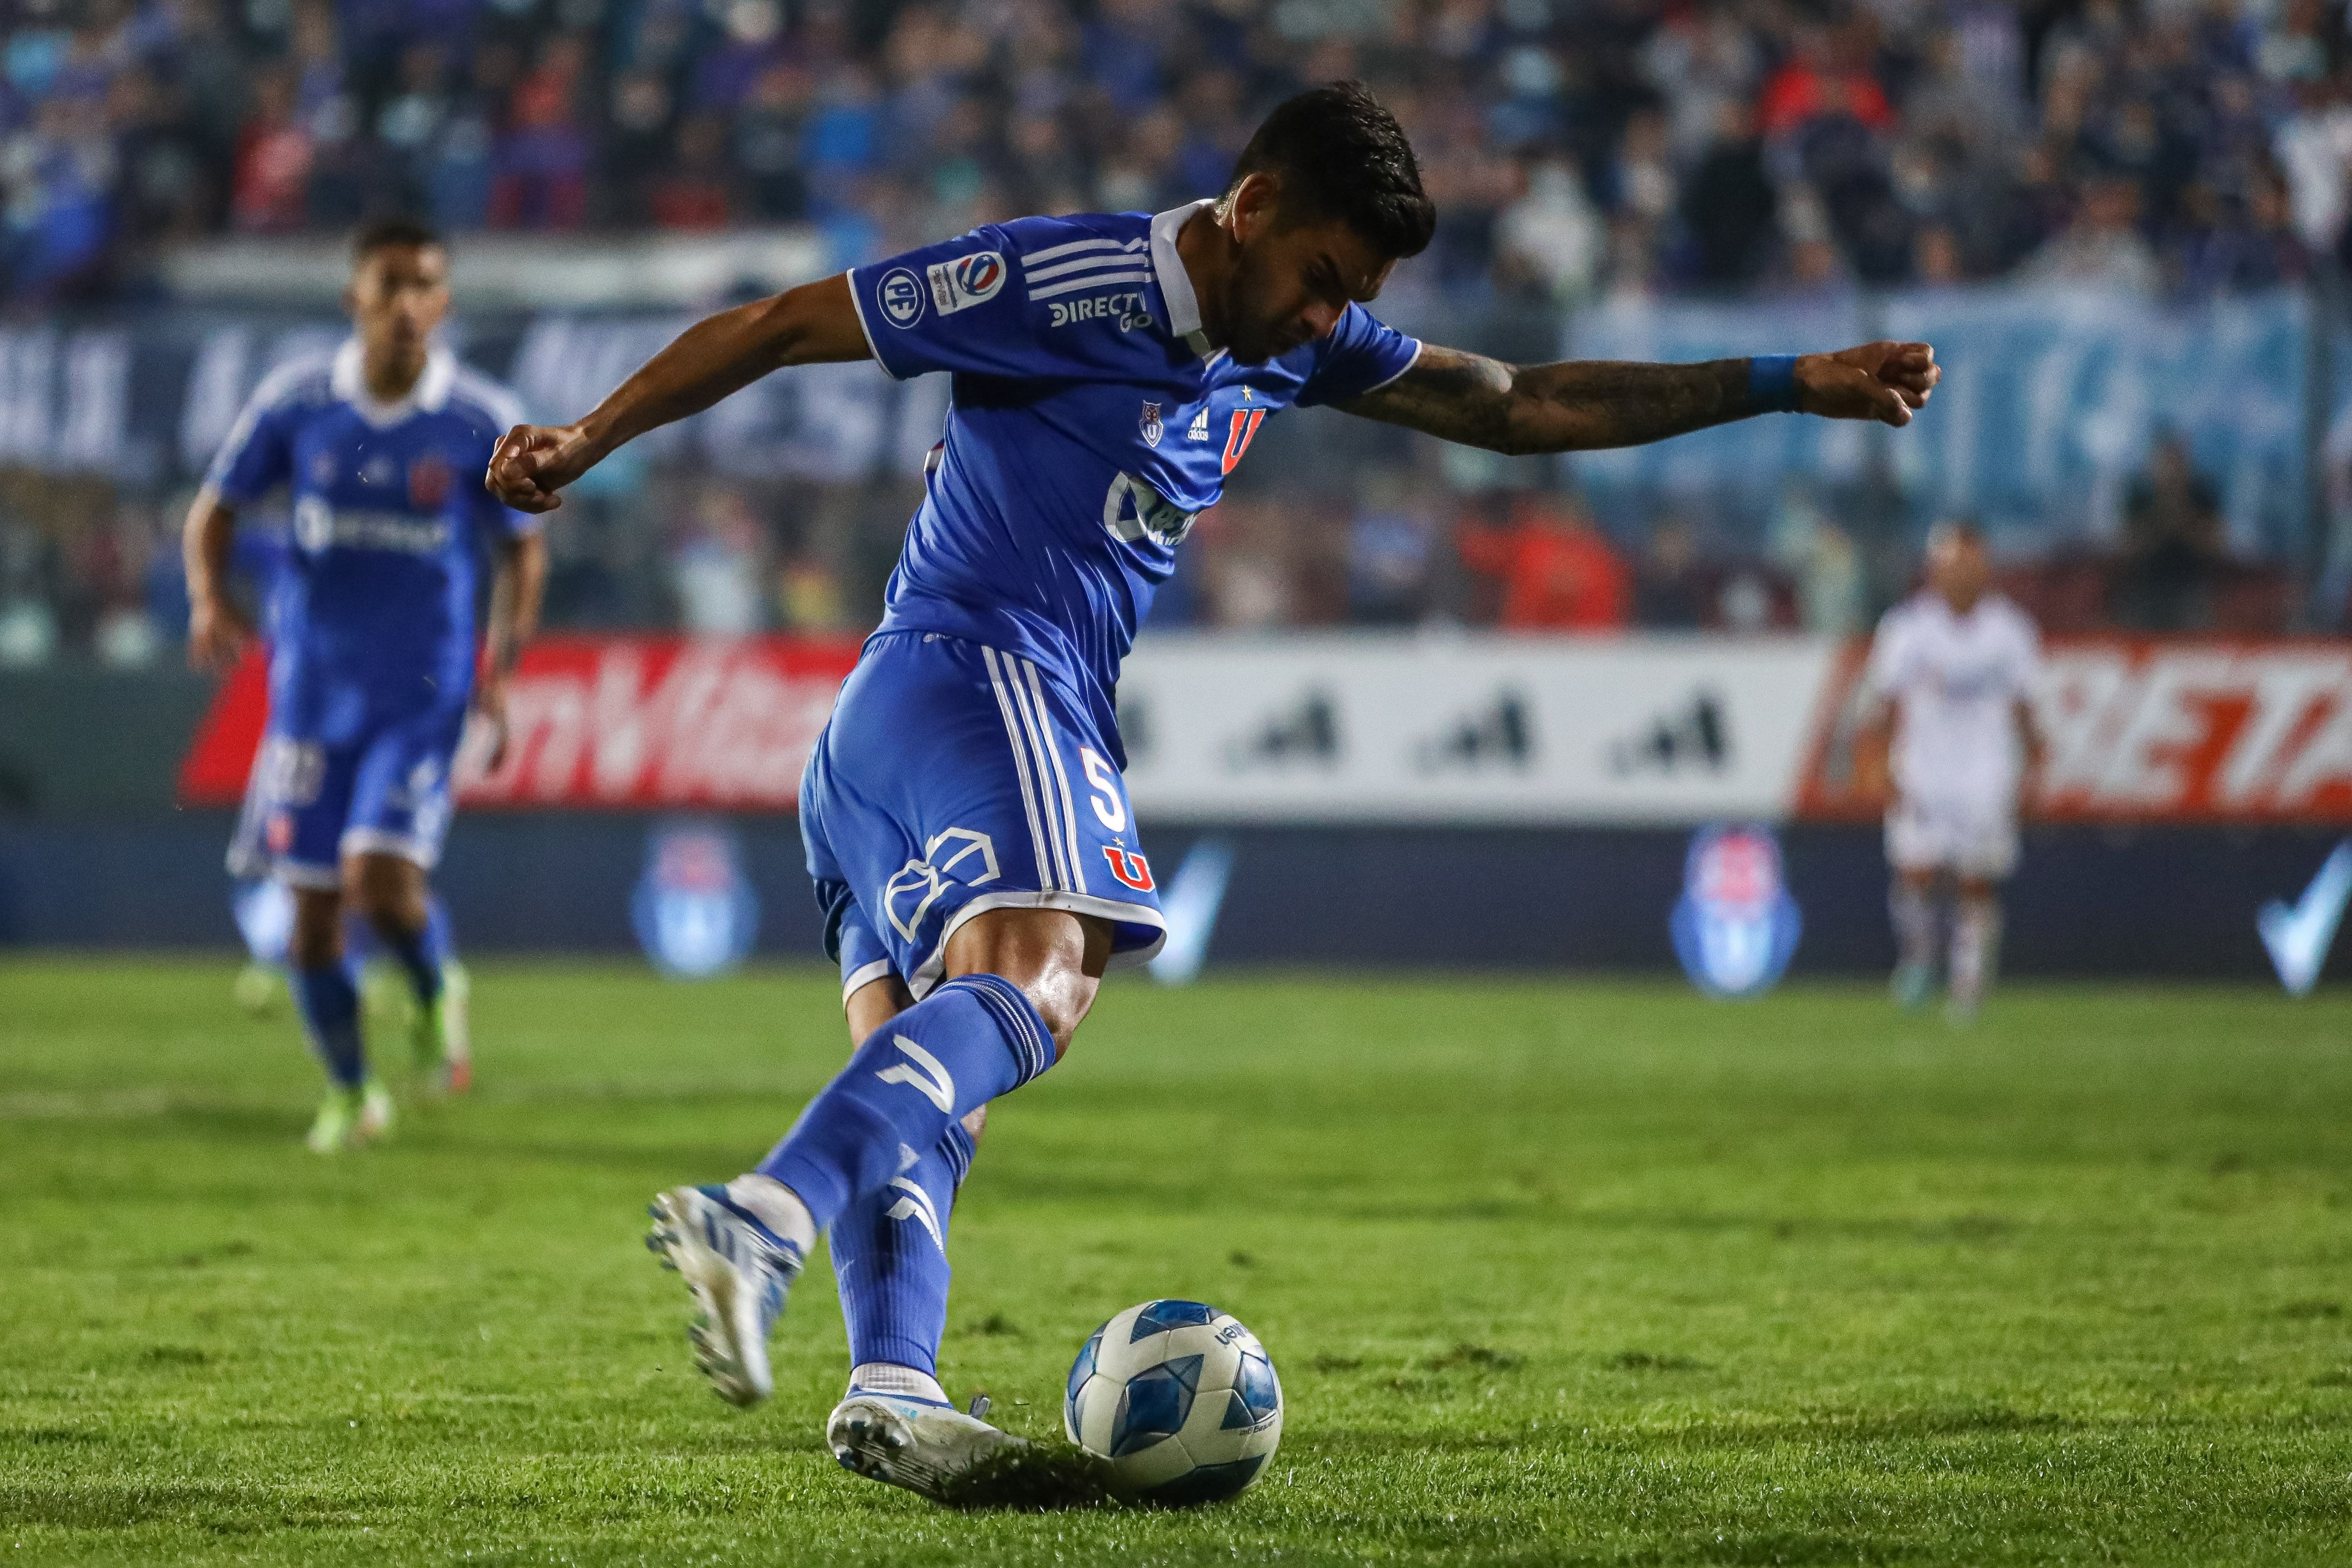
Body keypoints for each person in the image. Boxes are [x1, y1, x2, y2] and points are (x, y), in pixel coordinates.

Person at [486, 81, 1939, 1502]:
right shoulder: (1069, 275)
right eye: (1320, 277)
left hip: (890, 733)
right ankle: (757, 1218)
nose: (1327, 316)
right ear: (1247, 212)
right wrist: (584, 444)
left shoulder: (1288, 342)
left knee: (935, 1097)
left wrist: (1780, 383)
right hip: (981, 674)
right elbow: (786, 321)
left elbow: (1518, 402)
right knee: (1052, 981)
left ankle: (892, 1382)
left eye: (1349, 293)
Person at [183, 217, 544, 1154]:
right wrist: (206, 598)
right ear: (356, 299)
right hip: (310, 697)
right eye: (388, 286)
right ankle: (353, 1090)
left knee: (379, 885)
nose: (405, 306)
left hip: (422, 694)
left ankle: (434, 986)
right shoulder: (299, 403)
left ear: (444, 302)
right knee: (311, 924)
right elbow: (214, 509)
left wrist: (500, 667)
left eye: (423, 286)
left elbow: (522, 547)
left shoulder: (476, 417)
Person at [1854, 521, 2044, 1023]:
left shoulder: (2010, 631)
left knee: (1974, 881)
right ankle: (1918, 959)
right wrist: (1878, 762)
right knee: (1914, 874)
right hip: (1923, 766)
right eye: (1951, 563)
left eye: (1970, 563)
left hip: (1985, 769)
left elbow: (2026, 709)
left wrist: (2033, 770)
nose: (1961, 574)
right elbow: (1885, 704)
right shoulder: (1906, 627)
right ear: (1934, 568)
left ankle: (1967, 983)